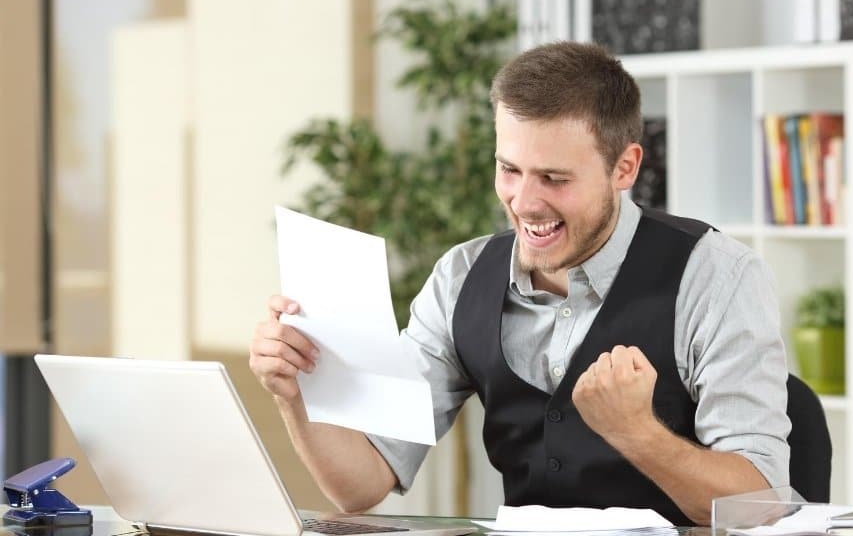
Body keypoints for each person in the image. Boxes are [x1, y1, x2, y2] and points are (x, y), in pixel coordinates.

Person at [249, 41, 790, 526]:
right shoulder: (460, 278)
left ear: (624, 168)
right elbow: (360, 486)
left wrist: (639, 434)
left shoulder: (716, 277)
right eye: (509, 170)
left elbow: (760, 506)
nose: (525, 203)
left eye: (554, 178)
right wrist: (295, 393)